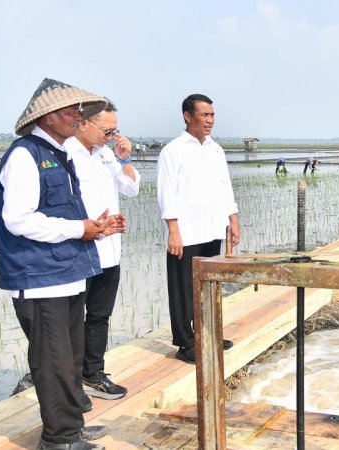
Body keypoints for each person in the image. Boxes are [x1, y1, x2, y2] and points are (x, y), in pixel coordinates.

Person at [0, 78, 122, 449]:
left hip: (68, 274)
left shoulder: (60, 155)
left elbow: (63, 217)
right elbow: (16, 219)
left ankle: (71, 426)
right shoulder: (25, 155)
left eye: (79, 112)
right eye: (70, 112)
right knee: (52, 362)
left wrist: (94, 228)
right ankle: (59, 439)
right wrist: (77, 228)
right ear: (49, 116)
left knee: (70, 358)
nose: (77, 118)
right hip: (39, 277)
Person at [65, 100, 140, 402]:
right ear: (84, 123)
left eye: (115, 130)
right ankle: (69, 383)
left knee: (99, 315)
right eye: (107, 130)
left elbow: (131, 189)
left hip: (110, 248)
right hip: (79, 247)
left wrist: (124, 159)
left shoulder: (108, 154)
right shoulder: (66, 152)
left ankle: (93, 373)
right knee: (70, 317)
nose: (111, 136)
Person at [157, 94, 240, 365]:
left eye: (212, 115)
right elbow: (166, 193)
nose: (210, 120)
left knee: (209, 286)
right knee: (183, 288)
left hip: (213, 229)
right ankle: (185, 342)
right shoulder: (174, 151)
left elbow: (224, 186)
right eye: (204, 115)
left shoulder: (216, 149)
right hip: (187, 231)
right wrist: (173, 230)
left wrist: (233, 220)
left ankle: (208, 334)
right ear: (187, 116)